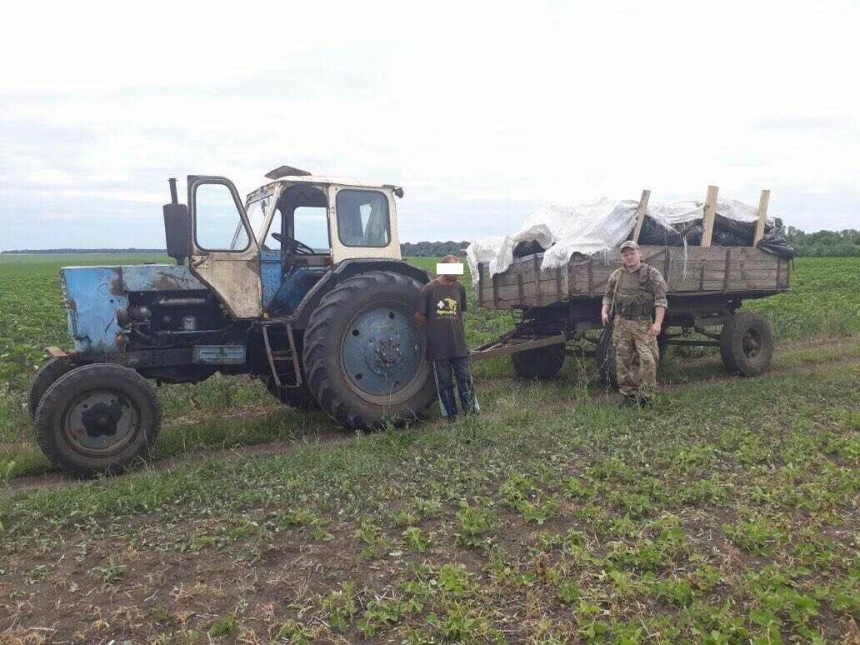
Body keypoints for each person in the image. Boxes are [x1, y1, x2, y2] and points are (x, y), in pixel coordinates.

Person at [600, 241, 668, 405]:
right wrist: (604, 311)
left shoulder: (652, 274)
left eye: (632, 253)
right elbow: (608, 295)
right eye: (625, 254)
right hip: (621, 324)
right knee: (623, 362)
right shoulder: (617, 275)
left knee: (649, 360)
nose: (629, 257)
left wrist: (658, 323)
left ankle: (646, 397)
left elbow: (661, 300)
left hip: (643, 325)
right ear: (621, 257)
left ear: (640, 254)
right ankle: (629, 396)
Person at [415, 255, 479, 422]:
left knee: (464, 379)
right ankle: (451, 416)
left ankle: (470, 412)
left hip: (458, 344)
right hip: (438, 347)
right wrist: (435, 328)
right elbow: (419, 316)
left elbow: (460, 313)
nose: (456, 274)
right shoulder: (428, 290)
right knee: (444, 383)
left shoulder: (460, 288)